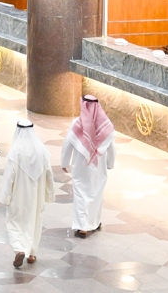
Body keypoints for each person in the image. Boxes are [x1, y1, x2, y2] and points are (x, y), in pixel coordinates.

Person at [0, 119, 54, 268]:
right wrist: (49, 194)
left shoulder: (15, 151)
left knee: (15, 222)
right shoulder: (42, 151)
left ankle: (19, 249)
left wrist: (5, 196)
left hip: (19, 196)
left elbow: (9, 176)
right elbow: (49, 174)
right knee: (35, 221)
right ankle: (32, 253)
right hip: (37, 197)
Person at [60, 95, 115, 238]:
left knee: (81, 194)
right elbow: (111, 146)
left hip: (81, 167)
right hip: (99, 168)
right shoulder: (105, 124)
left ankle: (82, 227)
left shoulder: (77, 123)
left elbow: (68, 143)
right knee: (96, 194)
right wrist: (110, 163)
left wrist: (64, 162)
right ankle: (93, 223)